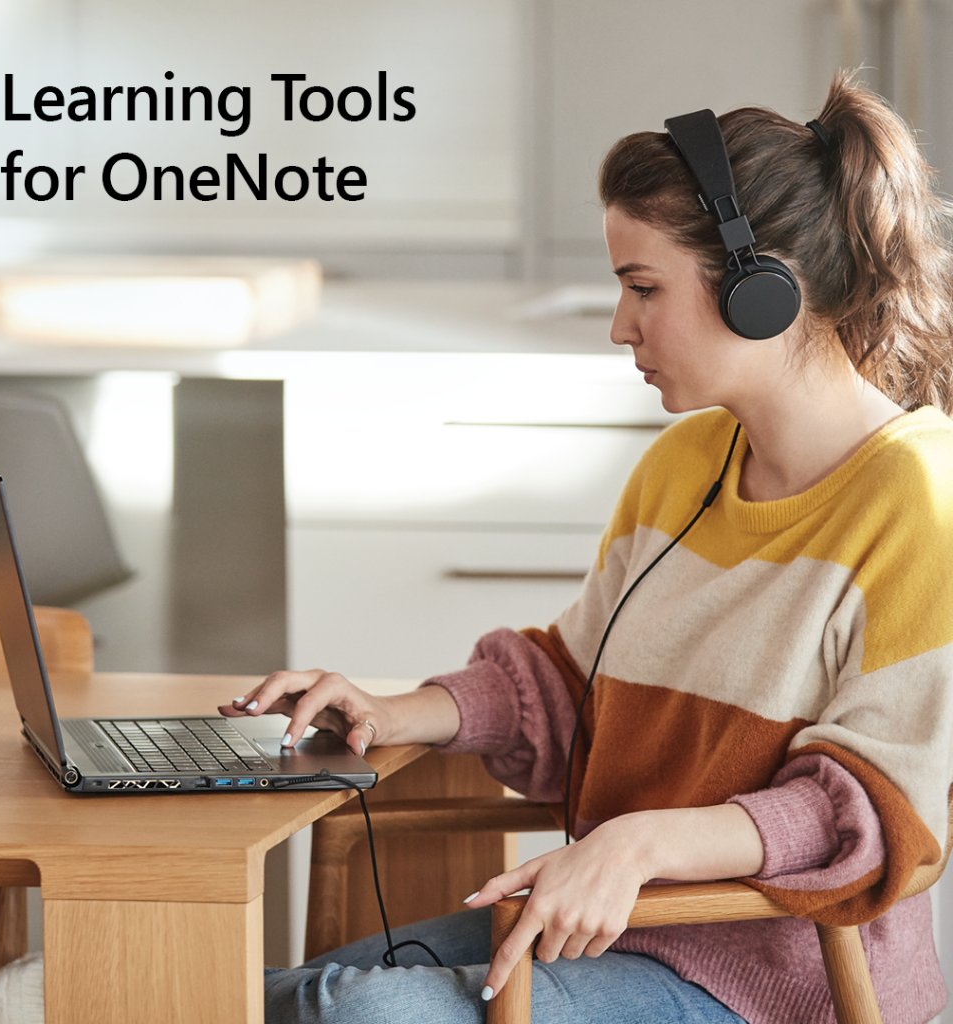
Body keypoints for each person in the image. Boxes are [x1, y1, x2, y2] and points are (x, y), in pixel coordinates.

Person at [220, 70, 953, 1024]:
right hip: (618, 927)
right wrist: (398, 711)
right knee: (265, 993)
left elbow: (877, 807)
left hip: (778, 978)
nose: (621, 327)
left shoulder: (920, 499)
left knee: (346, 1012)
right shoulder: (683, 465)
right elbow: (574, 685)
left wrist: (639, 845)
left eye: (644, 288)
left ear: (761, 290)